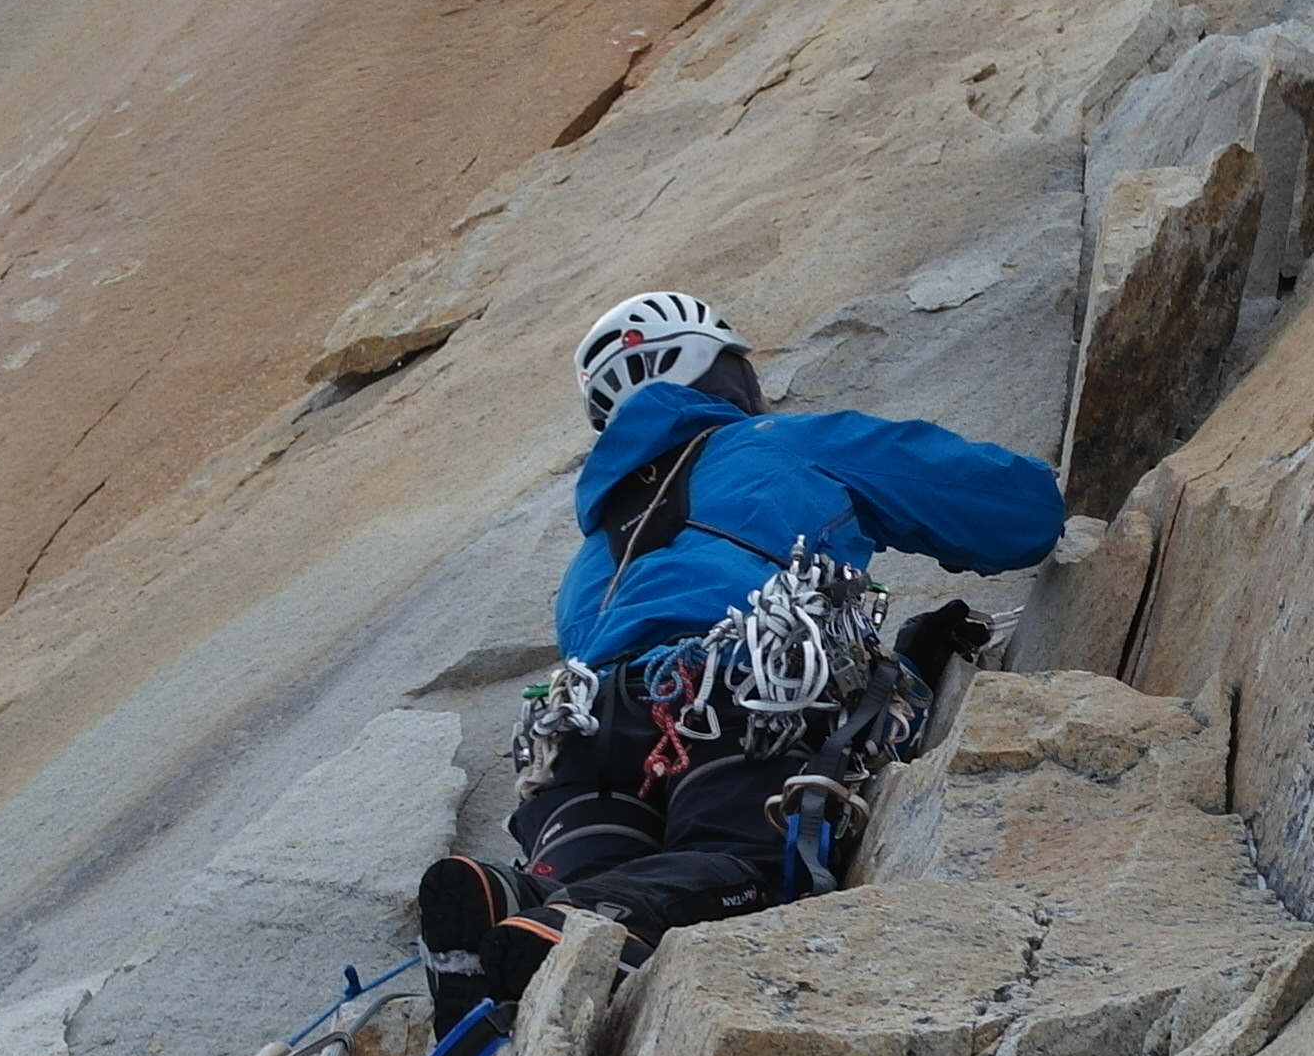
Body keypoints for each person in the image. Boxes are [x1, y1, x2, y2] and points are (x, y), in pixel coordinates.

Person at [418, 290, 1063, 1012]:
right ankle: (590, 924)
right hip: (739, 699)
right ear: (719, 370)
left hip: (580, 744)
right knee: (751, 861)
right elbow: (1016, 514)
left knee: (602, 865)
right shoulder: (781, 446)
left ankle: (520, 898)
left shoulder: (590, 558)